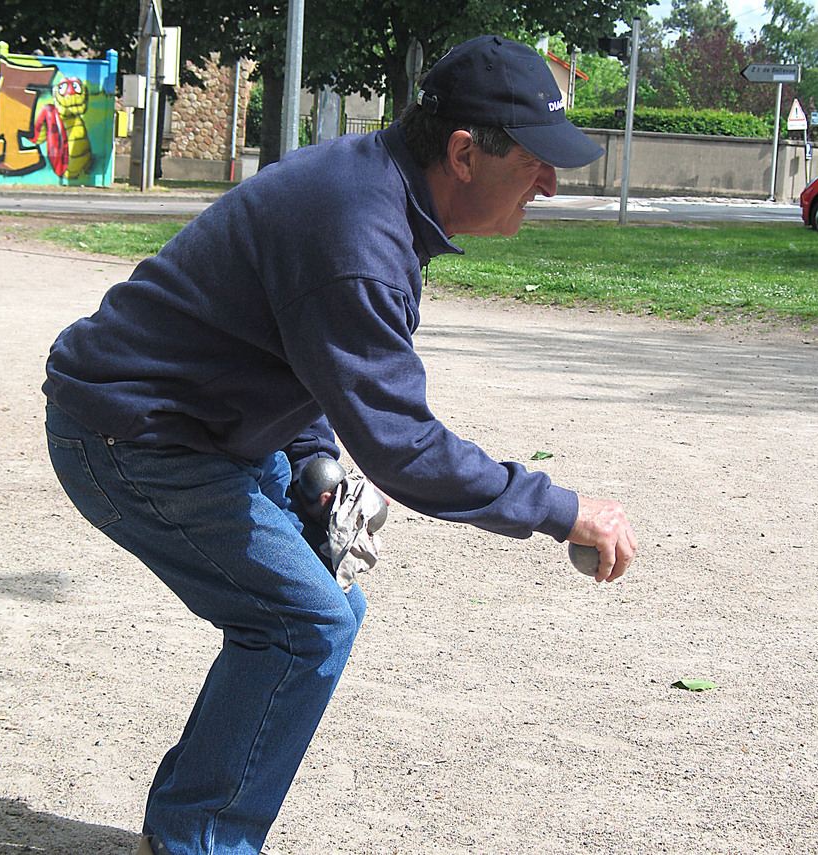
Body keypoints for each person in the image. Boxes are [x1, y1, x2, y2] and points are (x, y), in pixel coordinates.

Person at [43, 34, 637, 855]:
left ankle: (192, 822)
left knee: (321, 610)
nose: (551, 180)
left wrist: (310, 462)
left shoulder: (373, 188)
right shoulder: (360, 234)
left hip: (201, 427)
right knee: (303, 624)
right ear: (465, 152)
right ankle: (196, 839)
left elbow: (293, 347)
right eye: (536, 159)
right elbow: (404, 447)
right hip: (131, 434)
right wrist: (564, 509)